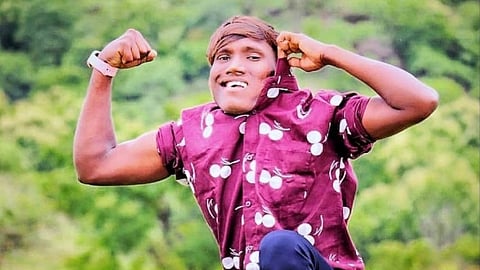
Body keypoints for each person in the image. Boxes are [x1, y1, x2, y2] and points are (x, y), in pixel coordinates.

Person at [74, 15, 438, 270]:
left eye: (251, 56)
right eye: (223, 58)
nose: (233, 66)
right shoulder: (192, 133)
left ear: (277, 69)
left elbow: (418, 101)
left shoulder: (319, 114)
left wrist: (329, 53)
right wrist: (105, 69)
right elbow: (95, 166)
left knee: (280, 248)